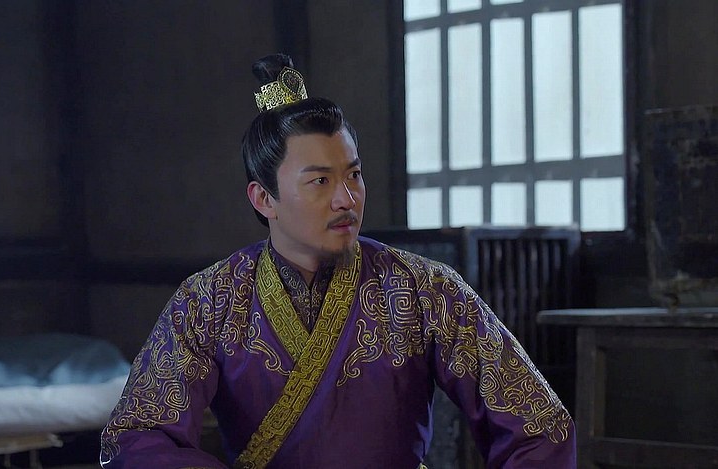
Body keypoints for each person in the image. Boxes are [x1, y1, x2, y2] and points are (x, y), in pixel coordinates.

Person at [100, 53, 576, 469]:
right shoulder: (209, 301)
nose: (346, 199)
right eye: (320, 181)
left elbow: (539, 422)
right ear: (264, 198)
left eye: (354, 175)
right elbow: (139, 433)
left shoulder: (424, 290)